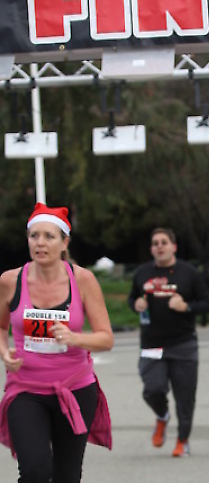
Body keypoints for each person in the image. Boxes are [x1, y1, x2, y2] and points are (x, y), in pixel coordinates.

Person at [0, 203, 113, 483]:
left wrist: (76, 338)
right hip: (25, 389)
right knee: (35, 472)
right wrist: (4, 352)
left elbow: (106, 338)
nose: (40, 243)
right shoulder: (10, 281)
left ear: (64, 243)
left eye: (49, 236)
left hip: (75, 389)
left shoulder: (83, 279)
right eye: (34, 236)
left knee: (67, 476)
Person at [128, 227, 209, 458]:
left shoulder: (189, 273)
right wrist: (135, 304)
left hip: (183, 343)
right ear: (151, 249)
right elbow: (132, 297)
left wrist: (186, 306)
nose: (159, 246)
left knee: (185, 397)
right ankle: (162, 415)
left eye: (164, 242)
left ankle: (182, 441)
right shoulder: (142, 273)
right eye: (155, 243)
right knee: (152, 390)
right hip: (151, 344)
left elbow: (208, 304)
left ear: (173, 247)